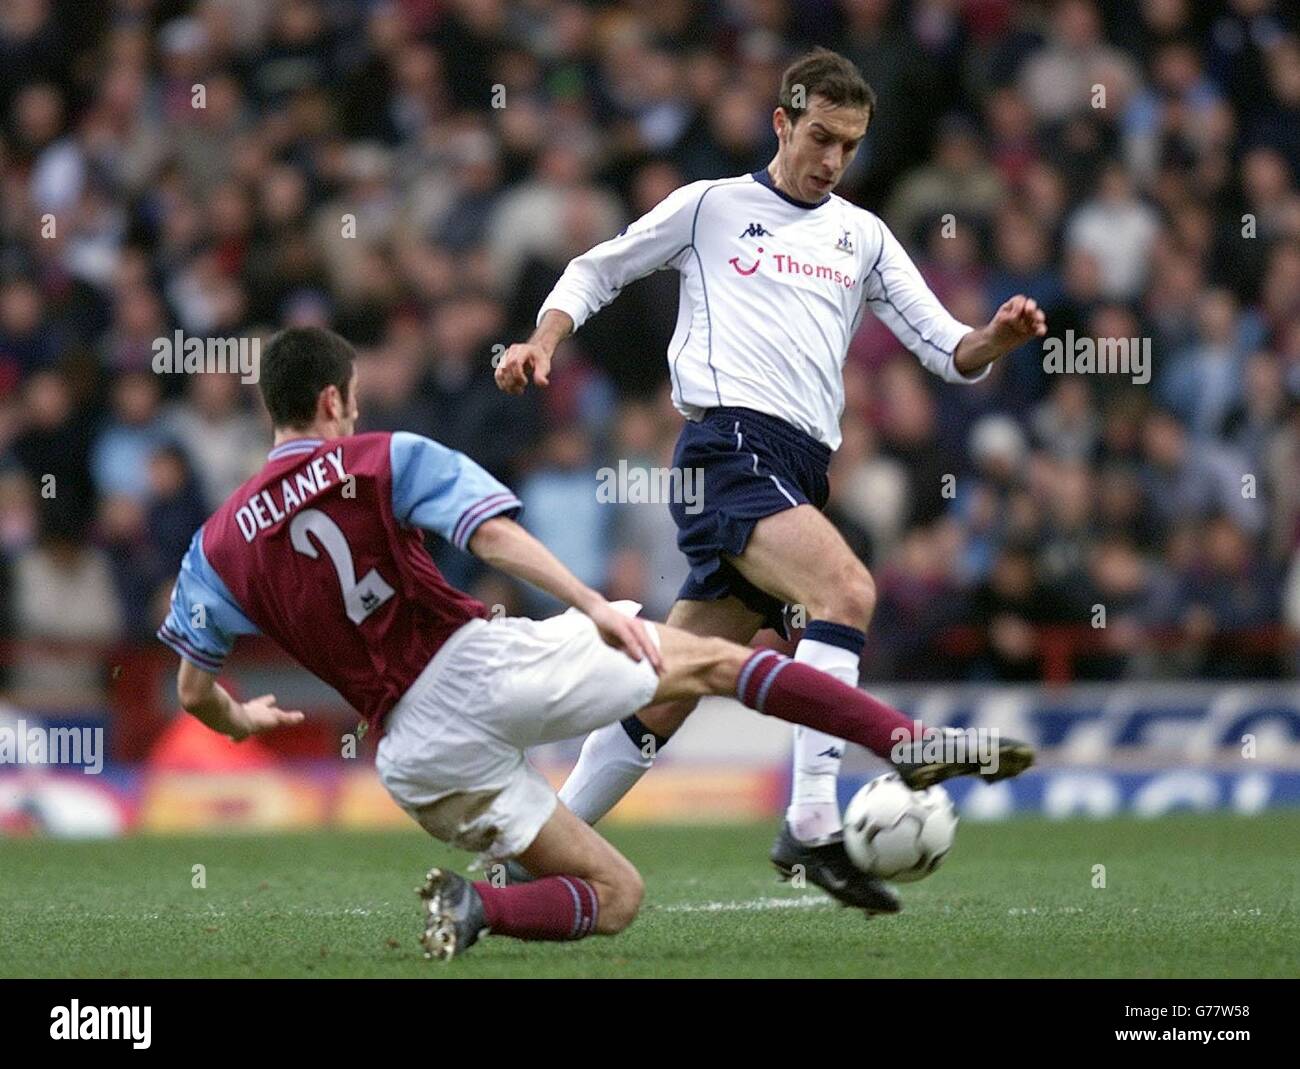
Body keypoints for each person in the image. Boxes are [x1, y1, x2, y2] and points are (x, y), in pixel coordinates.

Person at [157, 326, 1032, 960]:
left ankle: (476, 910)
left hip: (414, 757)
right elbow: (491, 537)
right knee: (717, 662)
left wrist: (242, 718)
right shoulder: (381, 458)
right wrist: (587, 603)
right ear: (331, 401)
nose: (357, 414)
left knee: (617, 895)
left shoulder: (218, 544)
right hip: (477, 668)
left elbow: (193, 693)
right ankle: (906, 743)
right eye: (354, 402)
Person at [495, 47, 1047, 907]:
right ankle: (816, 822)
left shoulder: (861, 236)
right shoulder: (711, 207)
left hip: (798, 468)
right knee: (848, 591)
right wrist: (544, 340)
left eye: (850, 146)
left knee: (668, 683)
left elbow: (948, 349)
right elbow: (596, 268)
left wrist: (996, 339)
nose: (832, 159)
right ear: (783, 122)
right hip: (727, 451)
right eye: (820, 136)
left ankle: (533, 846)